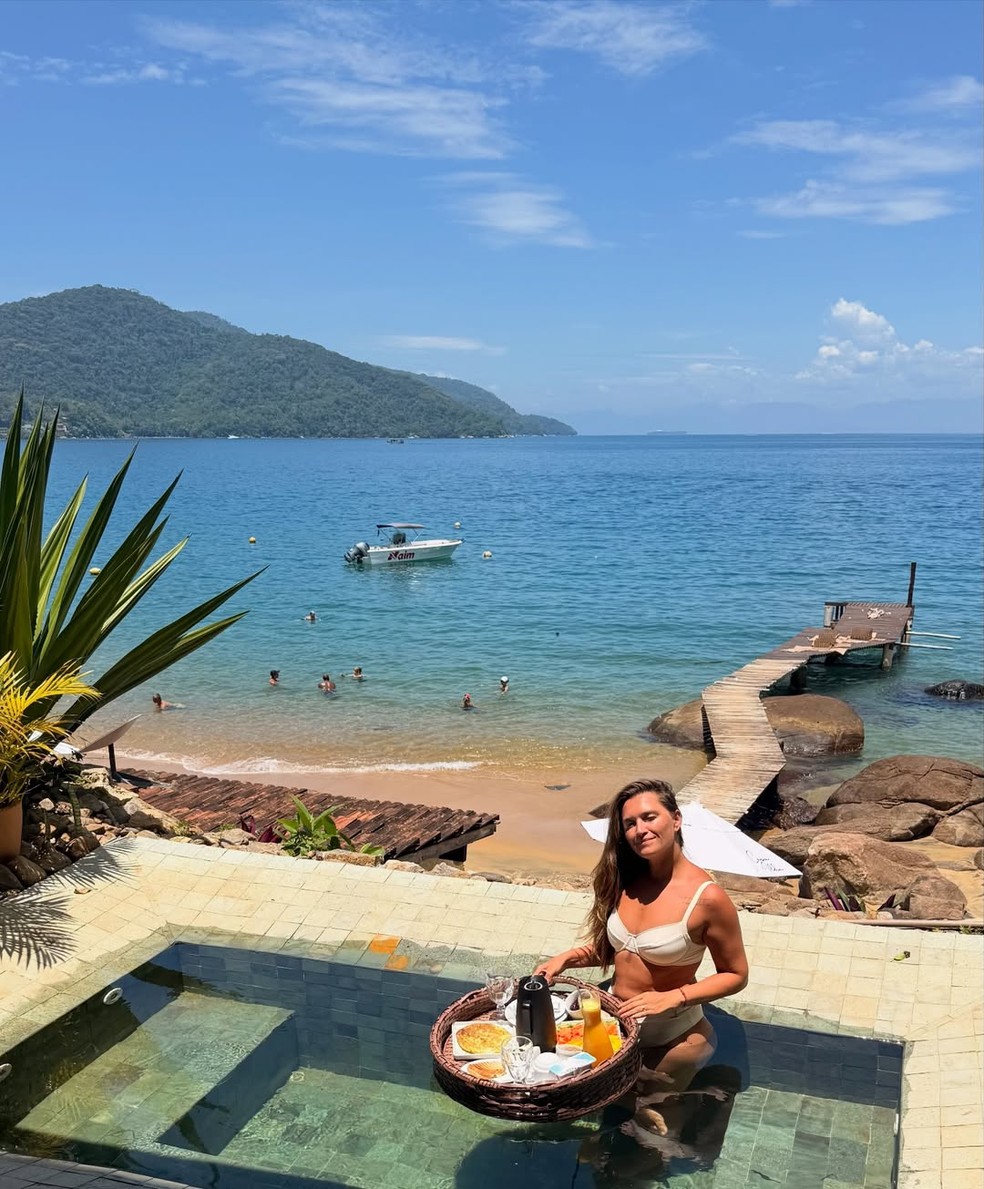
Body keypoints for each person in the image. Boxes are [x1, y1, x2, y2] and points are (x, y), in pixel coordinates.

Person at [534, 779, 748, 1122]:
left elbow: (736, 975)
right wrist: (568, 958)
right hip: (614, 1026)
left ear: (675, 819)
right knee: (603, 1112)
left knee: (653, 1128)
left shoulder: (707, 899)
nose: (640, 830)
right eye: (630, 823)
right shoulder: (626, 879)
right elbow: (622, 950)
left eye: (650, 817)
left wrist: (675, 996)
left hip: (672, 1040)